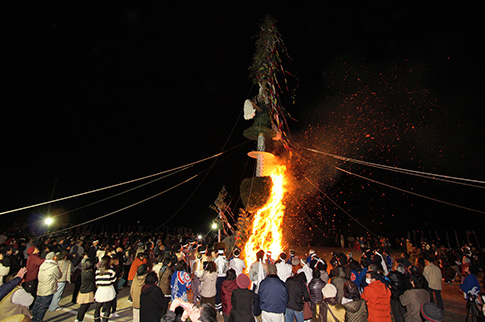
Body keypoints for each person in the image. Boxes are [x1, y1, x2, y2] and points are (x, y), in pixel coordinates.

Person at [32, 252, 62, 322]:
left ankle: (33, 318)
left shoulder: (43, 265)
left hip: (41, 288)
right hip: (48, 289)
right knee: (43, 308)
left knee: (37, 305)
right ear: (52, 258)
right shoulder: (53, 267)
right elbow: (59, 275)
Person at [94, 255, 117, 322]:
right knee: (108, 306)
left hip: (100, 289)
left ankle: (96, 319)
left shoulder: (98, 271)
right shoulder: (111, 271)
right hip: (109, 289)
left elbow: (96, 281)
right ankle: (105, 320)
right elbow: (114, 280)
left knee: (98, 306)